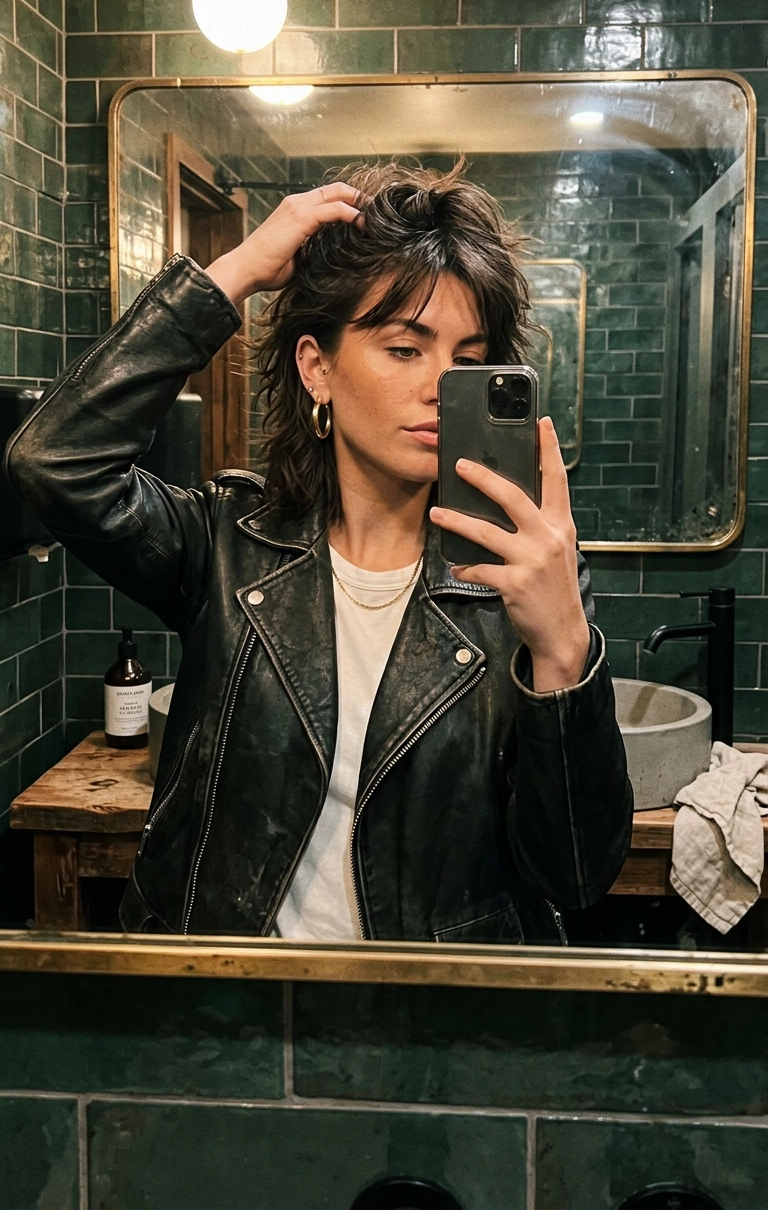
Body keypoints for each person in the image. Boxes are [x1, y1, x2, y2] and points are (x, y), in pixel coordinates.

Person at [5, 162, 632, 941]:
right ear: (317, 367)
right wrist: (231, 275)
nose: (442, 384)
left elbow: (574, 875)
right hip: (230, 1014)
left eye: (468, 361)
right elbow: (52, 463)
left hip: (432, 1031)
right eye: (405, 348)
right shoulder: (223, 548)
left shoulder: (525, 580)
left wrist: (564, 654)